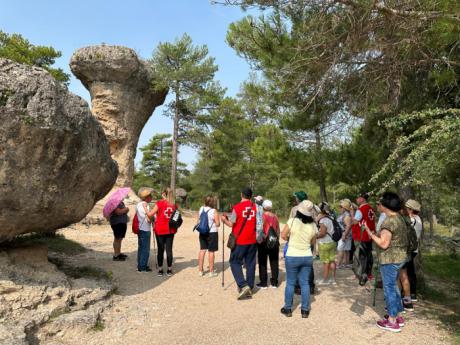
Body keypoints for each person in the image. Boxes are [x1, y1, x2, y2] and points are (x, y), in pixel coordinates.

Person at [364, 192, 408, 333]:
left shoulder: (388, 222)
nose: (378, 205)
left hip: (390, 260)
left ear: (385, 206)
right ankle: (397, 315)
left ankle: (392, 321)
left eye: (379, 203)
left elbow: (383, 244)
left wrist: (370, 234)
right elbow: (391, 239)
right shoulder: (399, 218)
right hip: (400, 258)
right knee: (394, 287)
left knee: (389, 289)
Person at [280, 200, 317, 318]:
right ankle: (305, 310)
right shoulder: (313, 225)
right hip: (306, 256)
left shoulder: (292, 221)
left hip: (292, 255)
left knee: (290, 282)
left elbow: (283, 235)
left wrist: (290, 240)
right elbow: (313, 242)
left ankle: (288, 308)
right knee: (305, 283)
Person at [221, 187, 258, 300]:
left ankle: (243, 285)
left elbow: (232, 224)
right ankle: (250, 286)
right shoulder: (257, 207)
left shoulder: (236, 207)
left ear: (241, 195)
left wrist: (224, 220)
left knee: (234, 262)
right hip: (252, 240)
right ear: (251, 196)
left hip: (240, 240)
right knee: (251, 263)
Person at [399, 199, 422, 310]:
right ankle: (411, 296)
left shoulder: (410, 220)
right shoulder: (418, 219)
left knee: (402, 275)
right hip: (414, 250)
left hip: (407, 251)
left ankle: (403, 301)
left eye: (406, 208)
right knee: (409, 272)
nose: (404, 210)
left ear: (411, 210)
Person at [150, 188, 177, 277]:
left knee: (160, 250)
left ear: (163, 194)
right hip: (170, 230)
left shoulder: (159, 203)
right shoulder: (174, 204)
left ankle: (160, 270)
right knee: (169, 250)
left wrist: (146, 210)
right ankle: (169, 269)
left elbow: (150, 214)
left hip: (160, 229)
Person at [352, 192, 376, 285]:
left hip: (362, 235)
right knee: (368, 255)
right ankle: (369, 274)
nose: (356, 200)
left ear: (362, 198)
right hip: (369, 235)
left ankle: (363, 276)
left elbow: (355, 222)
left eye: (358, 198)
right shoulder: (370, 208)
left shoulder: (361, 209)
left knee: (362, 256)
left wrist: (352, 214)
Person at [256, 199, 280, 289]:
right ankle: (274, 283)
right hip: (274, 240)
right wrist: (276, 239)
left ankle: (263, 283)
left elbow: (260, 229)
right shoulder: (275, 217)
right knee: (274, 261)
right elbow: (278, 230)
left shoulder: (262, 216)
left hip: (264, 241)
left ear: (263, 207)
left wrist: (259, 240)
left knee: (262, 262)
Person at [197, 195, 220, 277]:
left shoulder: (201, 209)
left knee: (202, 250)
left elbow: (198, 220)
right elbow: (218, 224)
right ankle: (211, 271)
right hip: (212, 232)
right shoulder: (214, 211)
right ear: (212, 202)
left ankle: (200, 270)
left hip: (202, 232)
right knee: (211, 251)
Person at [315, 202, 337, 285]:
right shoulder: (331, 217)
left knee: (326, 262)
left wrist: (316, 236)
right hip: (332, 242)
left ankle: (325, 280)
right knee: (332, 260)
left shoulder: (323, 220)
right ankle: (333, 279)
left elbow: (323, 233)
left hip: (324, 243)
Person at [136, 188, 154, 272]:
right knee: (145, 249)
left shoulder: (138, 204)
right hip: (145, 229)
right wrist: (153, 218)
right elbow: (149, 219)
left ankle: (140, 265)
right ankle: (143, 267)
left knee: (141, 248)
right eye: (150, 196)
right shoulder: (145, 205)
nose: (152, 197)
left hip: (140, 228)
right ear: (147, 197)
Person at [336, 199, 353, 268]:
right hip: (345, 234)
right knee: (346, 250)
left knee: (340, 249)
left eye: (340, 206)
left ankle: (338, 264)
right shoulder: (344, 214)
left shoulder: (346, 216)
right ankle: (346, 264)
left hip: (344, 234)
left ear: (345, 207)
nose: (339, 208)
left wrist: (344, 235)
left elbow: (348, 226)